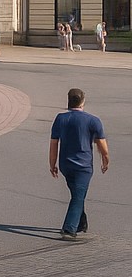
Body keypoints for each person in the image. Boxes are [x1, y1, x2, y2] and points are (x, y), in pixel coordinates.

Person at [49, 87, 111, 241]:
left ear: (69, 101)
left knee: (77, 193)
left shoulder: (60, 118)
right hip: (83, 167)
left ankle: (81, 223)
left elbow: (54, 144)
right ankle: (69, 228)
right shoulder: (93, 120)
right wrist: (106, 159)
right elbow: (102, 145)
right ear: (83, 101)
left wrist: (52, 164)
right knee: (78, 196)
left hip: (65, 165)